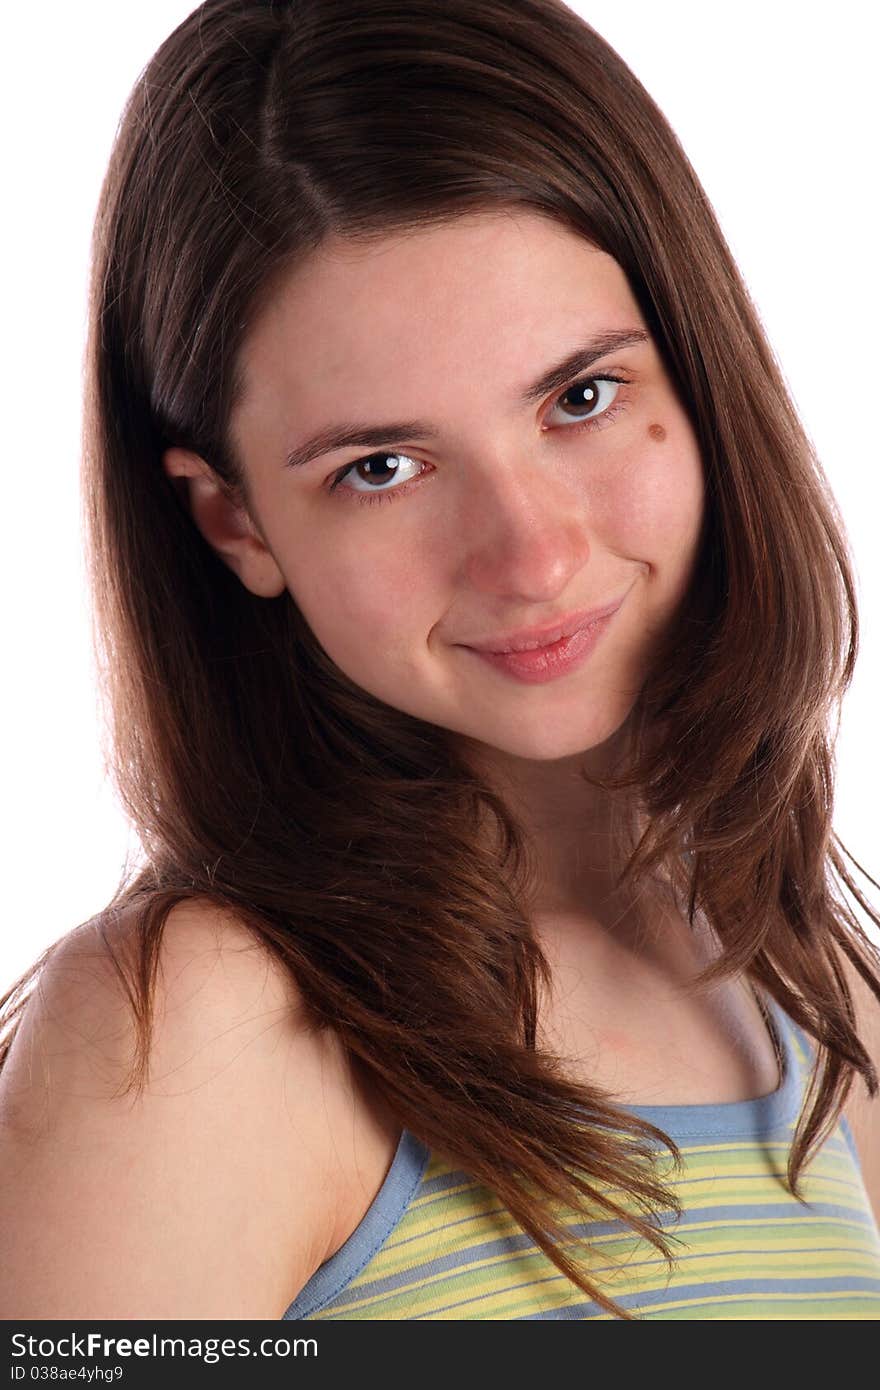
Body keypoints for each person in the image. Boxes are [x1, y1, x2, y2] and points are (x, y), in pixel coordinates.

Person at [1, 0, 878, 1322]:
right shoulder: (190, 1034)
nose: (527, 554)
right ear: (236, 521)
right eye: (382, 468)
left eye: (579, 397)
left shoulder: (824, 1005)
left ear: (697, 382)